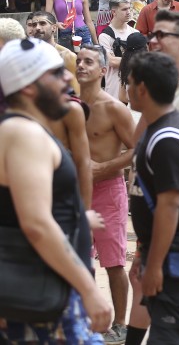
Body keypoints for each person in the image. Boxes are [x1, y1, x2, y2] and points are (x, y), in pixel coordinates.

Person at [0, 38, 112, 341]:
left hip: (42, 289)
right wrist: (90, 288)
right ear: (27, 86)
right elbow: (35, 223)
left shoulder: (23, 129)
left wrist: (76, 217)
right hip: (39, 296)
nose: (68, 77)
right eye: (56, 73)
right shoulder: (24, 133)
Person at [127, 52, 179, 344]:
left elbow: (170, 205)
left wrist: (155, 264)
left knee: (171, 337)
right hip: (167, 248)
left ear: (141, 89)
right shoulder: (156, 128)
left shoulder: (168, 138)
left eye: (128, 83)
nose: (126, 89)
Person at [75, 44, 135, 343]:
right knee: (77, 259)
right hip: (75, 192)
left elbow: (137, 149)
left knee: (113, 262)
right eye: (78, 61)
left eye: (88, 62)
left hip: (109, 190)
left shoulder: (113, 107)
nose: (81, 66)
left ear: (102, 70)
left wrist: (105, 168)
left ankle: (120, 324)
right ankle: (82, 320)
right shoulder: (69, 107)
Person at [99, 0, 137, 100]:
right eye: (124, 9)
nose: (128, 12)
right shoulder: (105, 36)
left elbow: (143, 61)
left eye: (129, 8)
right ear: (114, 12)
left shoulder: (135, 32)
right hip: (113, 90)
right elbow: (112, 62)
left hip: (134, 90)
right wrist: (135, 59)